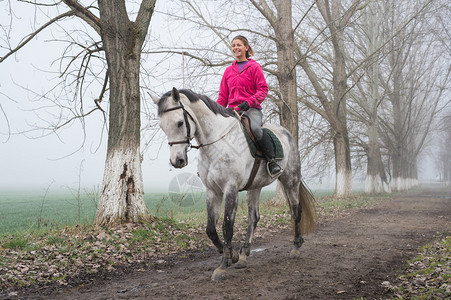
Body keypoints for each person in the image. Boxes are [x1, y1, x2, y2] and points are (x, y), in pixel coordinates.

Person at [217, 35, 282, 177]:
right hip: (232, 111)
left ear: (246, 48)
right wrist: (217, 111)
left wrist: (248, 103)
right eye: (233, 45)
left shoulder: (254, 67)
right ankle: (213, 165)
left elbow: (263, 90)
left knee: (255, 129)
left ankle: (271, 161)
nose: (235, 48)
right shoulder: (228, 71)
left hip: (251, 109)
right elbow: (223, 96)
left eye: (238, 45)